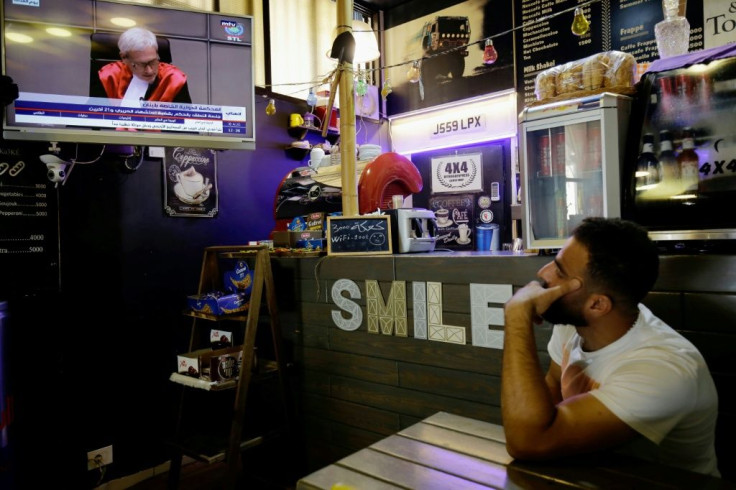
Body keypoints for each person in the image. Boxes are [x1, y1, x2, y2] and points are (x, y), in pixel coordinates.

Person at [501, 217, 720, 477]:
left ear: (597, 305)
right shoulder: (574, 322)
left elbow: (529, 441)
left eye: (560, 270)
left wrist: (517, 318)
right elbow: (553, 387)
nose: (543, 273)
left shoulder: (662, 369)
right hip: (591, 473)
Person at [92, 27, 191, 103]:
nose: (149, 71)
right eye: (141, 64)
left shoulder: (174, 79)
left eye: (153, 62)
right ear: (124, 58)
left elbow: (187, 125)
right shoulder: (108, 76)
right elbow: (94, 120)